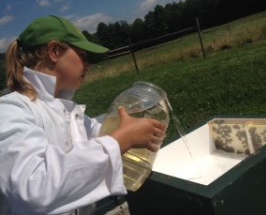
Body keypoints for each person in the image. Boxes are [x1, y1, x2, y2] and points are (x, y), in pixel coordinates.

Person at [0, 15, 166, 215]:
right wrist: (121, 139)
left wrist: (131, 122)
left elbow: (99, 134)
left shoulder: (69, 112)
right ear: (54, 51)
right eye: (83, 56)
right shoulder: (9, 110)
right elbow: (33, 188)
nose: (88, 66)